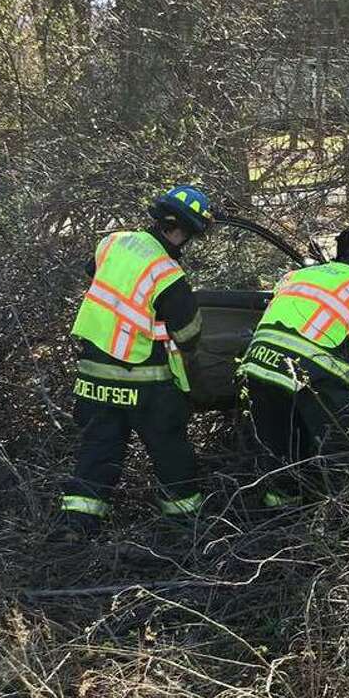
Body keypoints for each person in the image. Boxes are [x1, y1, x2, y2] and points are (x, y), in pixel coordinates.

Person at [58, 185, 213, 541]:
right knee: (170, 451)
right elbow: (188, 334)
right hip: (146, 382)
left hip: (94, 372)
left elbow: (98, 278)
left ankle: (75, 529)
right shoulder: (167, 273)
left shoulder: (112, 242)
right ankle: (186, 529)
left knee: (97, 450)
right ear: (182, 230)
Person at [239, 227, 349, 509]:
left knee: (279, 443)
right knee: (341, 447)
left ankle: (280, 509)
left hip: (259, 364)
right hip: (312, 373)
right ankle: (347, 513)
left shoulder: (297, 276)